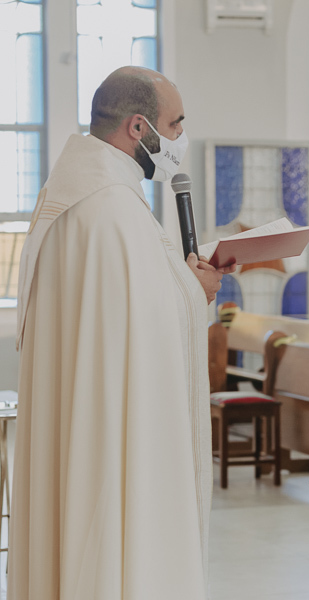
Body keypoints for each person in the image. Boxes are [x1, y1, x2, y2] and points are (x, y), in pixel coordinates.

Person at [11, 66, 233, 599]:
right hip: (110, 425)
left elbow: (125, 311)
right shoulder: (114, 208)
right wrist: (196, 292)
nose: (179, 137)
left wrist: (180, 281)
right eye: (175, 125)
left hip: (79, 412)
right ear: (139, 127)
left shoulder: (69, 193)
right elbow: (148, 327)